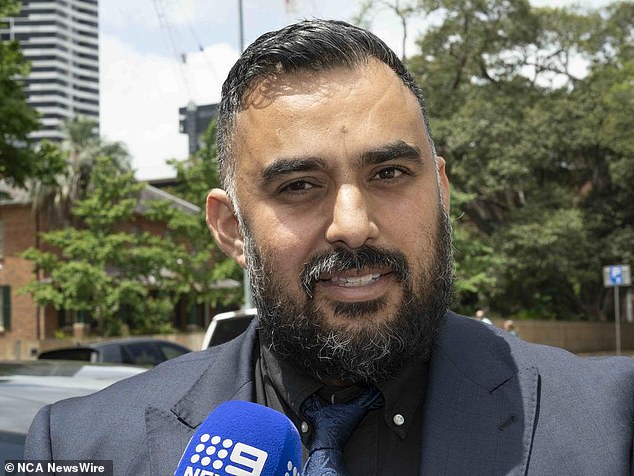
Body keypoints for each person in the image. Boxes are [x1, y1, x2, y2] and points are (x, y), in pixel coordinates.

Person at [26, 20, 634, 475]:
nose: (352, 224)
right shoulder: (82, 444)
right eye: (299, 186)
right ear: (231, 228)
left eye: (390, 174)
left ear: (441, 192)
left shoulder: (612, 425)